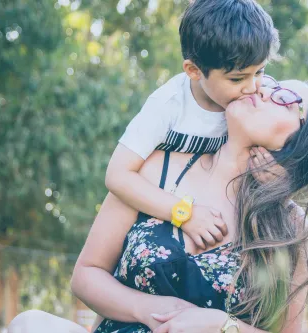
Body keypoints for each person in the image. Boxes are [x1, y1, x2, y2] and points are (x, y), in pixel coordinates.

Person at [8, 78, 308, 333]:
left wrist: (220, 325)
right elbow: (86, 274)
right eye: (271, 81)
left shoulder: (288, 226)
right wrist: (153, 309)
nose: (263, 88)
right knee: (30, 325)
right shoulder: (153, 167)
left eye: (285, 96)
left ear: (302, 140)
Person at [105, 0, 280, 251]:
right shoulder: (167, 106)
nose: (253, 87)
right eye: (237, 78)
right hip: (162, 223)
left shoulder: (263, 94)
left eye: (260, 71)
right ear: (194, 70)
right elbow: (117, 175)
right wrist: (184, 214)